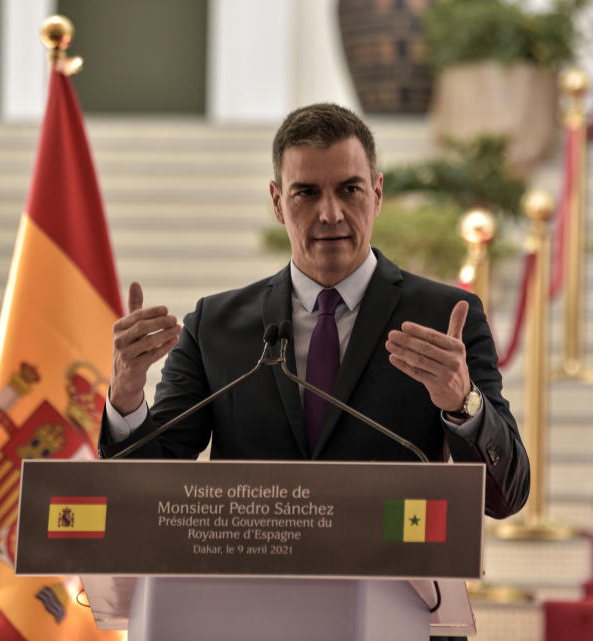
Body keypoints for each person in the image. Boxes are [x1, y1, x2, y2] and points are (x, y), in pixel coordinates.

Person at [98, 103, 529, 520]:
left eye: (350, 190)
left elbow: (505, 497)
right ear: (278, 202)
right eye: (306, 192)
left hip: (395, 584)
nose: (330, 213)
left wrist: (463, 405)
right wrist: (127, 396)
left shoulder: (445, 318)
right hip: (250, 584)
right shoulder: (214, 326)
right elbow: (146, 493)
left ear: (377, 195)